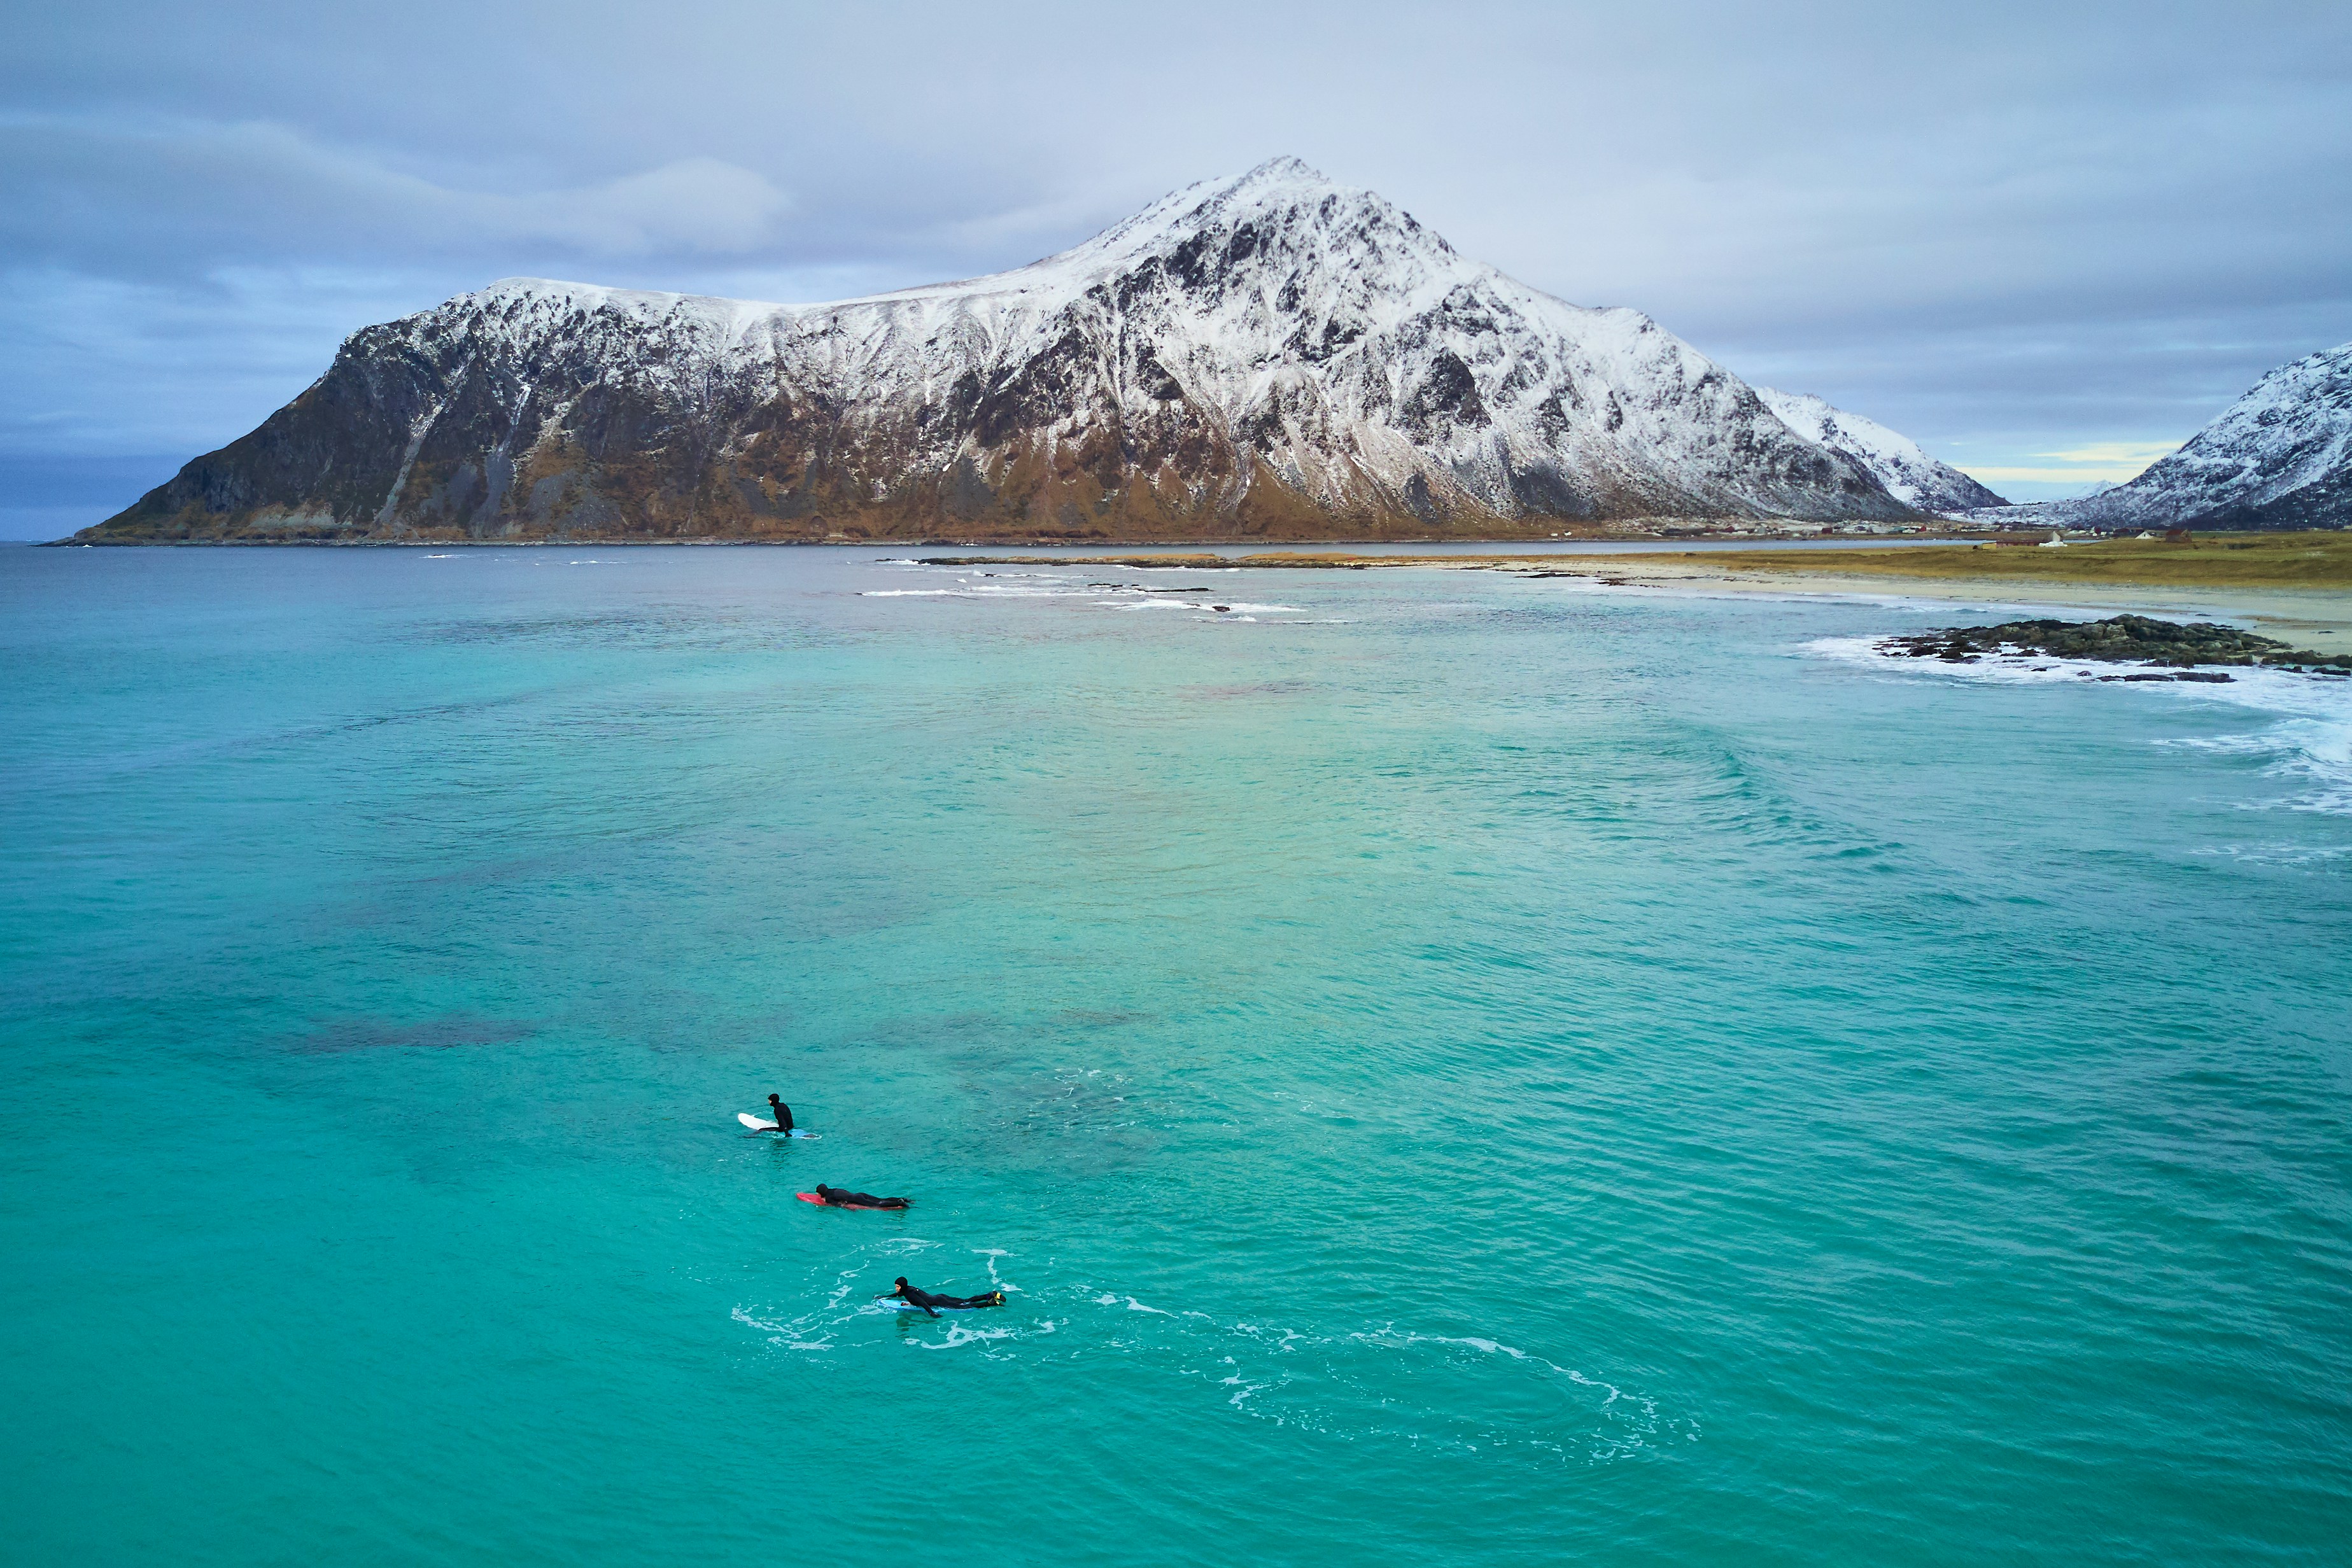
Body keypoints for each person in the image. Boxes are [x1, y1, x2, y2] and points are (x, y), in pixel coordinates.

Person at [882, 1277, 1006, 1317]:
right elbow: (897, 1294)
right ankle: (989, 1295)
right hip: (940, 1296)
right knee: (964, 1301)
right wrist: (884, 1297)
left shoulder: (909, 1294)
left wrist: (931, 1313)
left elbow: (923, 1303)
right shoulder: (908, 1289)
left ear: (902, 1286)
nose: (896, 1289)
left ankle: (990, 1303)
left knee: (964, 1307)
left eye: (897, 1286)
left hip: (939, 1302)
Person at [813, 1184, 908, 1210]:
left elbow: (839, 1205)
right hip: (860, 1194)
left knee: (877, 1205)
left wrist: (823, 1205)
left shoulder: (829, 1198)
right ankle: (904, 1199)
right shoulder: (833, 1190)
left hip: (857, 1199)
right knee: (881, 1200)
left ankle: (899, 1203)